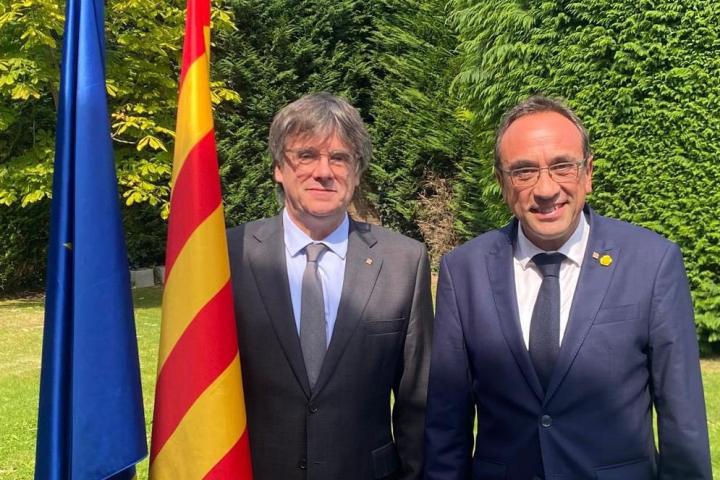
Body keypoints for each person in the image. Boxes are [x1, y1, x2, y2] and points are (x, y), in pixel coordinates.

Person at [424, 95, 712, 480]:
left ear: (588, 173)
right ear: (502, 183)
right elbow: (446, 424)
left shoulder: (652, 263)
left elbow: (683, 423)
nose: (546, 189)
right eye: (524, 171)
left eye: (562, 166)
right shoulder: (464, 271)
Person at [227, 92, 433, 480]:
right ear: (278, 168)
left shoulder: (404, 261)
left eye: (339, 158)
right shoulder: (228, 256)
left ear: (357, 172)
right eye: (306, 155)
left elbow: (419, 402)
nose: (324, 171)